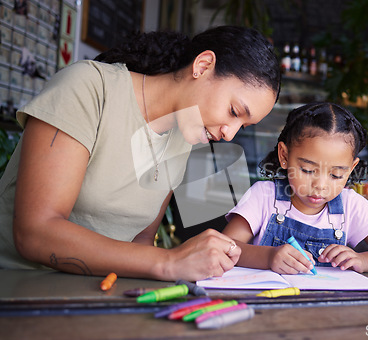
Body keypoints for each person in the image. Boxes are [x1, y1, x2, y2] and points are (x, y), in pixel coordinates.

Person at [0, 25, 281, 281]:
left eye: (243, 126)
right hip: (21, 286)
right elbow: (35, 233)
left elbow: (141, 241)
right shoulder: (88, 88)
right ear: (203, 65)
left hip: (102, 291)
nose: (229, 134)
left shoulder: (184, 137)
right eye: (234, 112)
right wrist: (169, 261)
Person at [222, 102, 368, 274]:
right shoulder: (264, 196)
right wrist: (269, 257)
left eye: (336, 175)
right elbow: (225, 248)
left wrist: (364, 260)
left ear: (351, 168)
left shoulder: (350, 205)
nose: (320, 186)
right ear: (284, 156)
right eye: (307, 170)